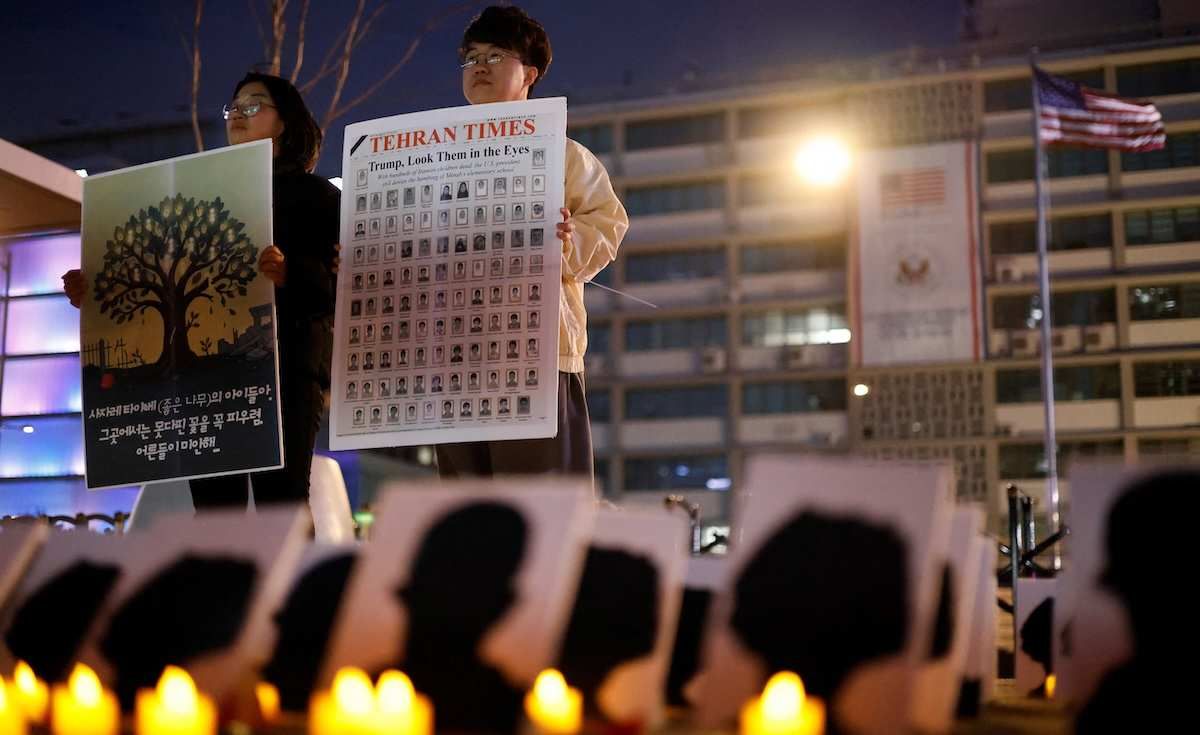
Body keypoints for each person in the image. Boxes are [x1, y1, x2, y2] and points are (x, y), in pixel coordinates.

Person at [62, 72, 339, 510]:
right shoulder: (197, 194)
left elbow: (341, 288)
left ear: (285, 122)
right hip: (201, 384)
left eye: (254, 105)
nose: (239, 115)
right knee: (214, 512)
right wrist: (96, 290)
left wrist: (291, 274)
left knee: (282, 507)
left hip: (286, 373)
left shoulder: (316, 196)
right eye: (234, 107)